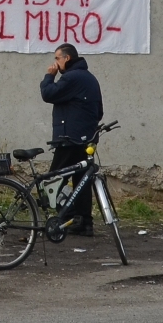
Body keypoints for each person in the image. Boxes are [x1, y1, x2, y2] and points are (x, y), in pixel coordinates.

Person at [40, 43, 103, 237]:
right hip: (86, 139)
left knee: (53, 179)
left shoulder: (72, 77)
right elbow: (99, 111)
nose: (55, 63)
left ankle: (61, 218)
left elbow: (48, 94)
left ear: (67, 58)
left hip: (70, 139)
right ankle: (83, 223)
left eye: (57, 59)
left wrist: (49, 77)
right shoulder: (89, 78)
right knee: (81, 181)